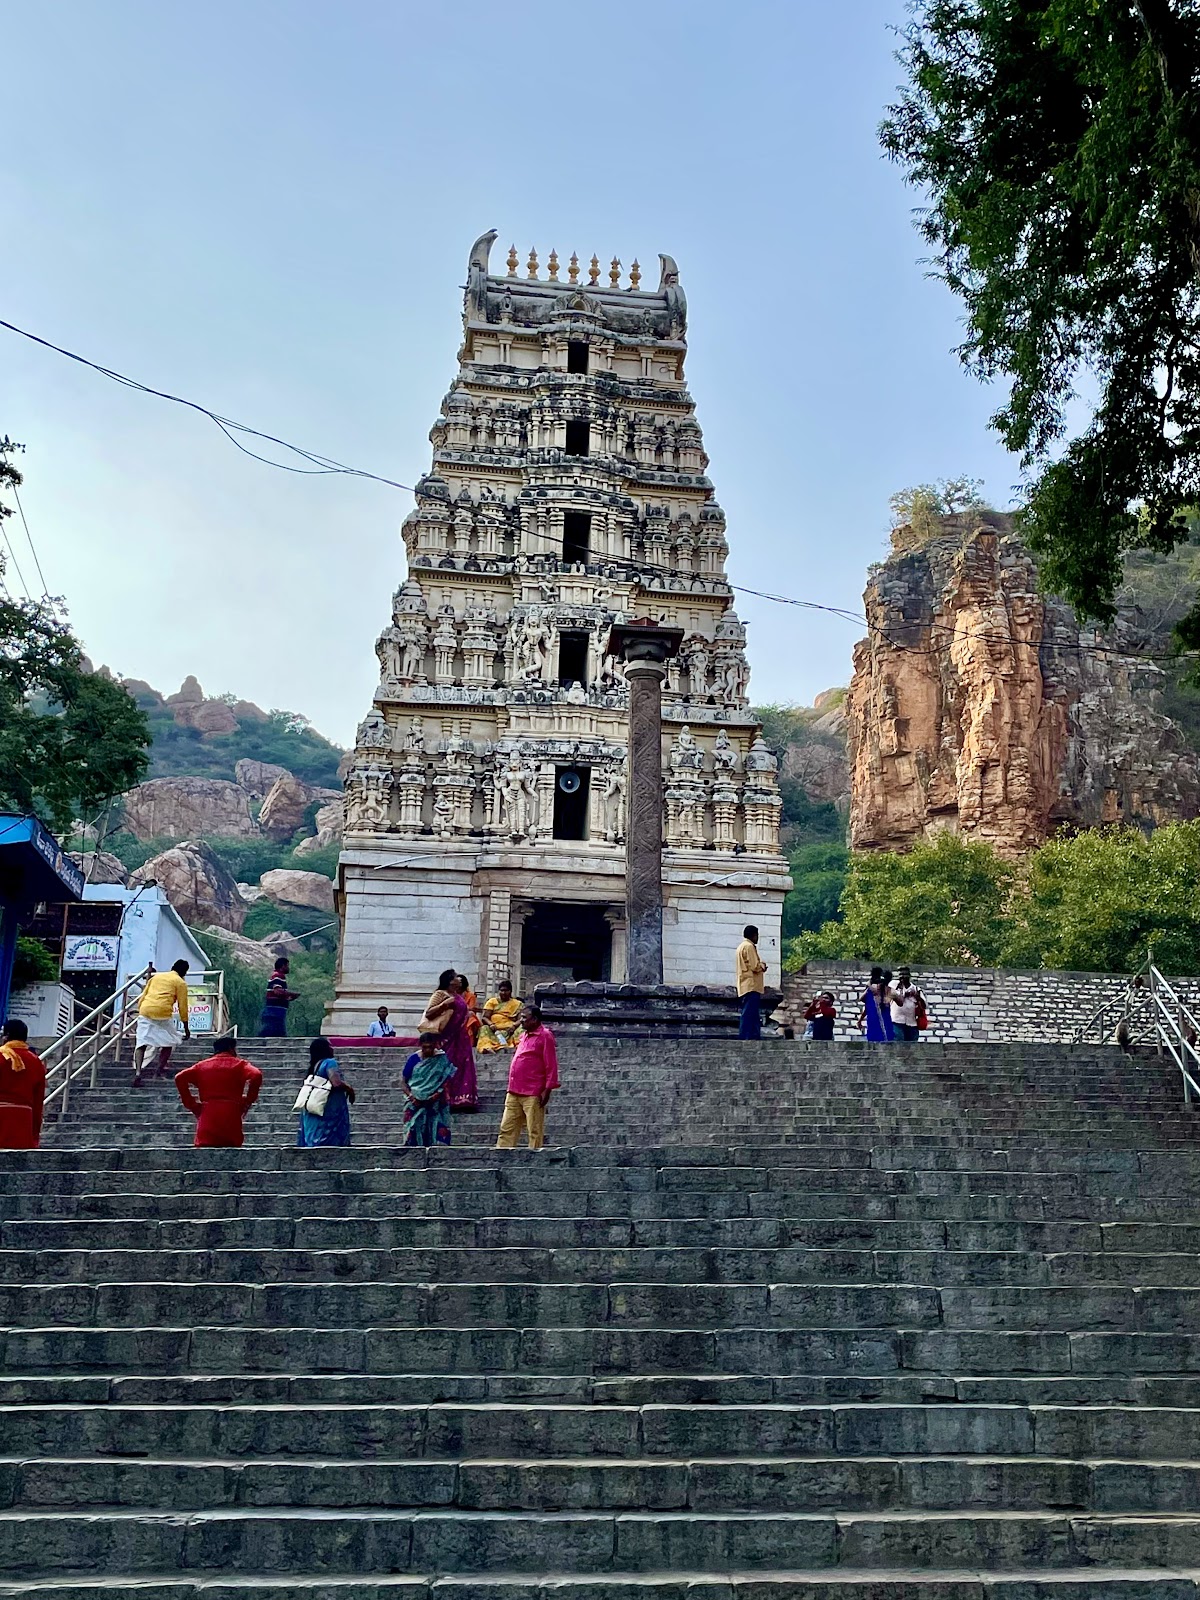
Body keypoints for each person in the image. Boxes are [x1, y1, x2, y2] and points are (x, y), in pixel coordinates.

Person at [174, 1036, 263, 1148]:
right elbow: (256, 1075)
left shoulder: (202, 1066)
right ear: (231, 1049)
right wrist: (248, 1100)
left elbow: (179, 1078)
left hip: (207, 1114)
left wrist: (192, 1104)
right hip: (231, 1114)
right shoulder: (240, 1065)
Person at [496, 1003, 559, 1150]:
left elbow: (551, 1064)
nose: (521, 1020)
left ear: (535, 1019)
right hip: (514, 1090)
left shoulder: (545, 1036)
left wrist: (547, 1089)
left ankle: (535, 1157)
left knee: (534, 1129)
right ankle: (502, 1155)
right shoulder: (523, 1035)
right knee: (507, 1127)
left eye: (525, 1017)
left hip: (533, 1090)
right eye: (521, 1017)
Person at [419, 970, 478, 1111]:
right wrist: (445, 1004)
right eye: (456, 977)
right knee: (446, 1067)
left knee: (462, 1068)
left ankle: (463, 1100)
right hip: (447, 1040)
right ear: (450, 981)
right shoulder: (440, 994)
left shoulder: (459, 996)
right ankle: (445, 1099)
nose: (459, 979)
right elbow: (429, 1013)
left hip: (461, 1040)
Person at [133, 959, 191, 1085]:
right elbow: (183, 1007)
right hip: (162, 1013)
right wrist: (186, 1028)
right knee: (169, 1041)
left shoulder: (156, 977)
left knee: (141, 1043)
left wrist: (141, 1010)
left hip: (145, 1010)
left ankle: (138, 1073)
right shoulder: (180, 982)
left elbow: (144, 995)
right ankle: (159, 1070)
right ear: (184, 972)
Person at [296, 1037, 355, 1146]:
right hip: (330, 1107)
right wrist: (349, 1088)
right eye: (329, 1046)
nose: (332, 1048)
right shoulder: (330, 1062)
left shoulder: (316, 1065)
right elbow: (335, 1082)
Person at [401, 1031, 456, 1146]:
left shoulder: (441, 1059)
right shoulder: (414, 1059)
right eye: (425, 1047)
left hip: (435, 1101)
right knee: (414, 1130)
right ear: (420, 1046)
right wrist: (412, 1097)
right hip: (415, 1101)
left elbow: (446, 1079)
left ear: (435, 1045)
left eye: (430, 1047)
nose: (428, 1050)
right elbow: (403, 1082)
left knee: (436, 1131)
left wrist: (438, 1093)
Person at [0, 1019, 47, 1149]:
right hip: (24, 1121)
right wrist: (35, 1133)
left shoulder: (1, 1056)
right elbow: (38, 1101)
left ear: (6, 1036)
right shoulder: (36, 1061)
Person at [735, 925, 768, 1040]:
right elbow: (755, 966)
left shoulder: (741, 947)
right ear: (753, 935)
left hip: (745, 985)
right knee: (749, 1013)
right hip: (751, 985)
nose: (757, 938)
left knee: (753, 1014)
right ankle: (746, 1036)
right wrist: (763, 966)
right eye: (757, 935)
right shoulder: (749, 946)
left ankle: (754, 1036)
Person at [478, 981, 522, 1052]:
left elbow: (521, 1019)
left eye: (506, 990)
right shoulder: (492, 1001)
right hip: (494, 1029)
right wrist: (491, 1024)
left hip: (510, 1029)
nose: (504, 993)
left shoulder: (517, 1003)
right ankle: (487, 1047)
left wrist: (514, 1026)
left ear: (510, 991)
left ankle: (518, 1047)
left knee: (522, 1028)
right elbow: (485, 1017)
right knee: (484, 1028)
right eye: (502, 990)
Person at [259, 958, 298, 1037]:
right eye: (287, 966)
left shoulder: (277, 975)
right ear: (283, 966)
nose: (288, 968)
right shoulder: (278, 975)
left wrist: (288, 998)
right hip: (275, 1008)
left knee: (273, 1028)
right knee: (275, 1029)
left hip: (276, 1007)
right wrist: (291, 994)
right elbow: (277, 991)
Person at [858, 966, 894, 1043]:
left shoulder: (886, 991)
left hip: (880, 1022)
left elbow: (862, 999)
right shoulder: (888, 991)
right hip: (875, 1022)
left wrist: (869, 985)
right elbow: (868, 1006)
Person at [888, 967, 925, 1043]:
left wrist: (918, 998)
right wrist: (906, 994)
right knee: (898, 1043)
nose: (902, 977)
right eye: (900, 974)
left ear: (909, 976)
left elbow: (924, 1006)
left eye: (904, 974)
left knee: (912, 1046)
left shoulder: (916, 989)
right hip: (896, 1021)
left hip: (912, 1023)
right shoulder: (894, 985)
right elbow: (895, 997)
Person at [461, 977, 482, 1048]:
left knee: (472, 1018)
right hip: (454, 1017)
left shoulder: (471, 996)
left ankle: (470, 1044)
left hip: (466, 1016)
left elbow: (471, 1009)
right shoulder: (452, 995)